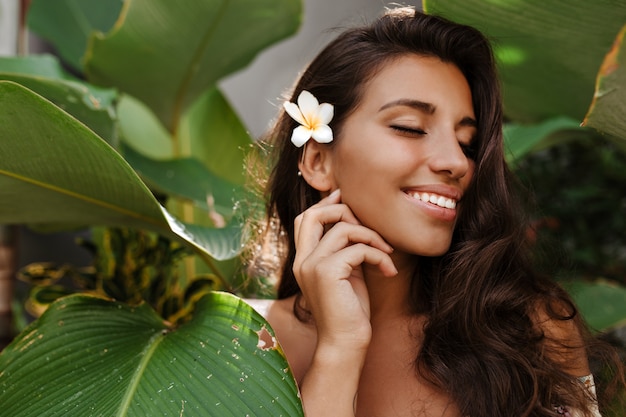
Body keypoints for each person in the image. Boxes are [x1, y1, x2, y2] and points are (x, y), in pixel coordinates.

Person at [244, 6, 624, 417]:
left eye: (468, 143)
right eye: (410, 127)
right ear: (318, 161)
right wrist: (340, 348)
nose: (456, 162)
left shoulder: (530, 331)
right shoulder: (244, 343)